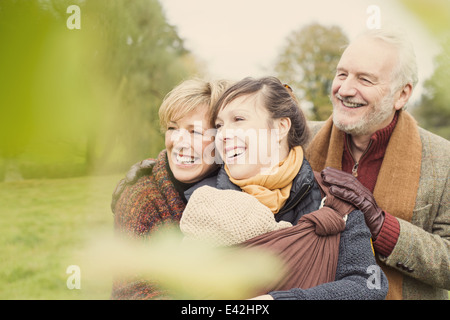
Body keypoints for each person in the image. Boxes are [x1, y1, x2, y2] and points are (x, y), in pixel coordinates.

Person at [179, 76, 388, 299]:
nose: (223, 135)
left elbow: (370, 285)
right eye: (219, 125)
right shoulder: (202, 201)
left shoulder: (333, 200)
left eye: (238, 119)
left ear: (280, 128)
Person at [306, 28, 450, 299]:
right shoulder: (299, 142)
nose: (345, 89)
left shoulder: (444, 160)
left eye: (365, 79)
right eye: (342, 74)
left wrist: (382, 226)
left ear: (402, 94)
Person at [110, 78, 231, 299]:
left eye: (195, 132)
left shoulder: (244, 188)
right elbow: (132, 290)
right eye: (172, 128)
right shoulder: (141, 195)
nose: (178, 141)